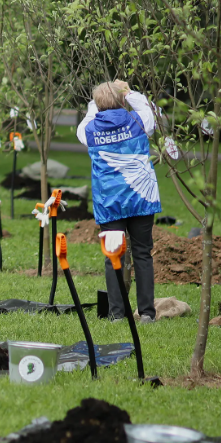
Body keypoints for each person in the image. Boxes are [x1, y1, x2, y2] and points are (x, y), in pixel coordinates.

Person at [75, 79, 160, 323]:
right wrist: (129, 92)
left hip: (109, 202)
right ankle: (146, 313)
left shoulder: (89, 130)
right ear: (122, 101)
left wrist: (98, 100)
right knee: (143, 254)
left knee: (113, 256)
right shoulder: (139, 121)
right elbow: (149, 109)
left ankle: (116, 314)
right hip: (140, 198)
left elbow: (89, 116)